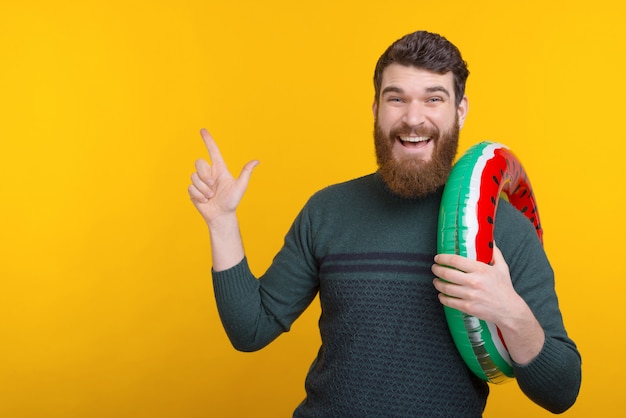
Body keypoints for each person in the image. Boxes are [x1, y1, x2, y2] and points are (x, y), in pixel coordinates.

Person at [188, 30, 581, 416]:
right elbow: (250, 330)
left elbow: (561, 392)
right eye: (397, 99)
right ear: (376, 108)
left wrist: (508, 309)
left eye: (433, 99)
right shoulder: (326, 210)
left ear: (459, 110)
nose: (413, 118)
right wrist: (222, 223)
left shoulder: (505, 229)